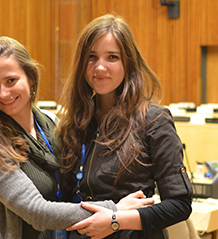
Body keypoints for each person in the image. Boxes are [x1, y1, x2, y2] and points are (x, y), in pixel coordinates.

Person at [0, 36, 154, 239]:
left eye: (11, 81)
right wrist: (114, 209)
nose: (4, 93)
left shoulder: (53, 123)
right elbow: (37, 212)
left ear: (31, 78)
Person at [56, 14, 193, 239]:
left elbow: (179, 204)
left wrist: (115, 221)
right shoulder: (76, 123)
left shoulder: (153, 120)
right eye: (92, 57)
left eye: (112, 57)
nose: (100, 67)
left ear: (127, 62)